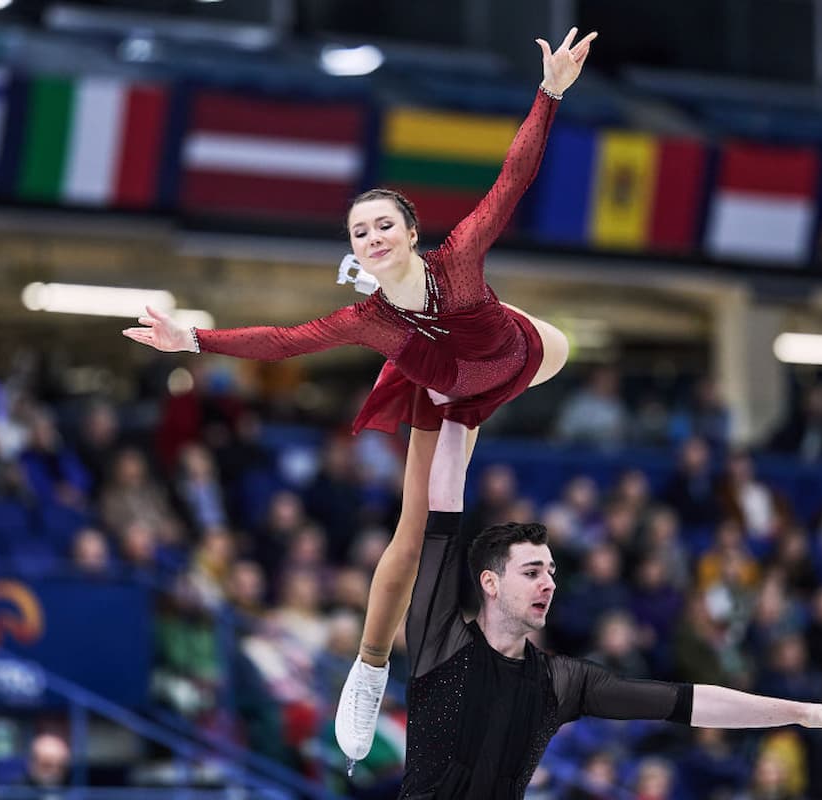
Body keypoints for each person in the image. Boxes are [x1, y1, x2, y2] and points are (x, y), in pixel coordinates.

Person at [122, 26, 593, 761]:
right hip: (446, 397)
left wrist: (549, 94)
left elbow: (512, 180)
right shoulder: (366, 318)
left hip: (522, 354)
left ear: (409, 233)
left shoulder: (459, 259)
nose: (370, 237)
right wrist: (195, 341)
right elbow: (282, 342)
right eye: (358, 232)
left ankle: (506, 344)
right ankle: (371, 670)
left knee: (562, 345)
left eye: (382, 225)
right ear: (357, 253)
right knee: (418, 530)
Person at [397, 414, 822, 797]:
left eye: (552, 572)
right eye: (531, 572)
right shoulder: (440, 643)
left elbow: (690, 702)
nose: (548, 584)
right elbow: (441, 513)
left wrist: (800, 712)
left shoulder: (559, 682)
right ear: (490, 583)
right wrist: (455, 410)